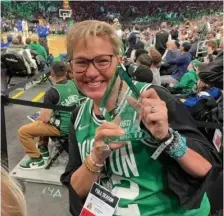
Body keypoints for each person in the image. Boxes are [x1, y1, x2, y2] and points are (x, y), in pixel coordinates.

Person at [61, 20, 216, 216]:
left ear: (119, 61)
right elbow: (75, 188)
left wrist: (167, 137)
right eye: (81, 62)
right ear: (71, 66)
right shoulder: (79, 116)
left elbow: (206, 168)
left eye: (102, 61)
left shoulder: (154, 99)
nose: (91, 73)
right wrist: (96, 158)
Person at [18, 61, 79, 170]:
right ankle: (43, 148)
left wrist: (41, 117)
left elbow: (45, 119)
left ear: (52, 74)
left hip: (61, 129)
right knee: (43, 122)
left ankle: (37, 159)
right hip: (74, 123)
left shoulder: (51, 92)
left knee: (23, 131)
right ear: (65, 72)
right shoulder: (73, 83)